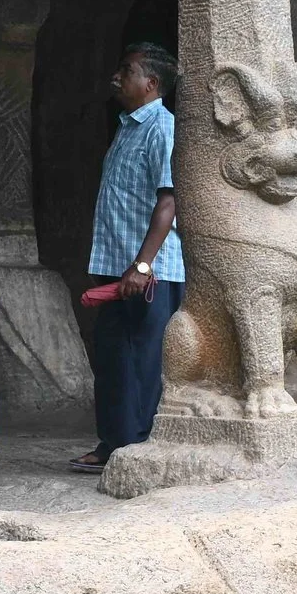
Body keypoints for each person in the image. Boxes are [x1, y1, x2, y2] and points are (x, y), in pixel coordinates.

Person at [73, 42, 186, 473]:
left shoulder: (162, 128)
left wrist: (142, 264)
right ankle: (113, 444)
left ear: (151, 83)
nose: (117, 77)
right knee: (113, 355)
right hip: (119, 264)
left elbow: (169, 202)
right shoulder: (129, 126)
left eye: (128, 70)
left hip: (149, 270)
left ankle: (136, 449)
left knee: (142, 359)